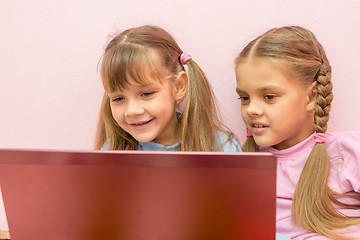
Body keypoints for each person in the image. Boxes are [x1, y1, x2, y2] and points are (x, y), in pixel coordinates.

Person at [235, 25, 360, 239]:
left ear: (311, 97)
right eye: (245, 98)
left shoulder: (347, 151)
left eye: (269, 96)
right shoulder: (238, 168)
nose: (252, 110)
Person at [95, 25, 240, 152]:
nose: (132, 111)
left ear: (178, 87)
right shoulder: (110, 157)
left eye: (146, 94)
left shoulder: (221, 148)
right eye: (118, 98)